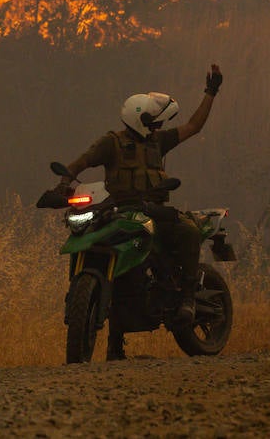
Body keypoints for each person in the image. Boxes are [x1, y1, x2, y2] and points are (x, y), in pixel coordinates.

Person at [57, 64, 222, 359]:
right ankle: (115, 342)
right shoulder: (112, 143)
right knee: (117, 261)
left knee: (187, 231)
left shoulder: (158, 142)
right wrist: (64, 183)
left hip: (154, 212)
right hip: (119, 211)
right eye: (154, 122)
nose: (157, 127)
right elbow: (82, 161)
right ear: (141, 120)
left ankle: (187, 299)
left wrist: (210, 93)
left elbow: (193, 127)